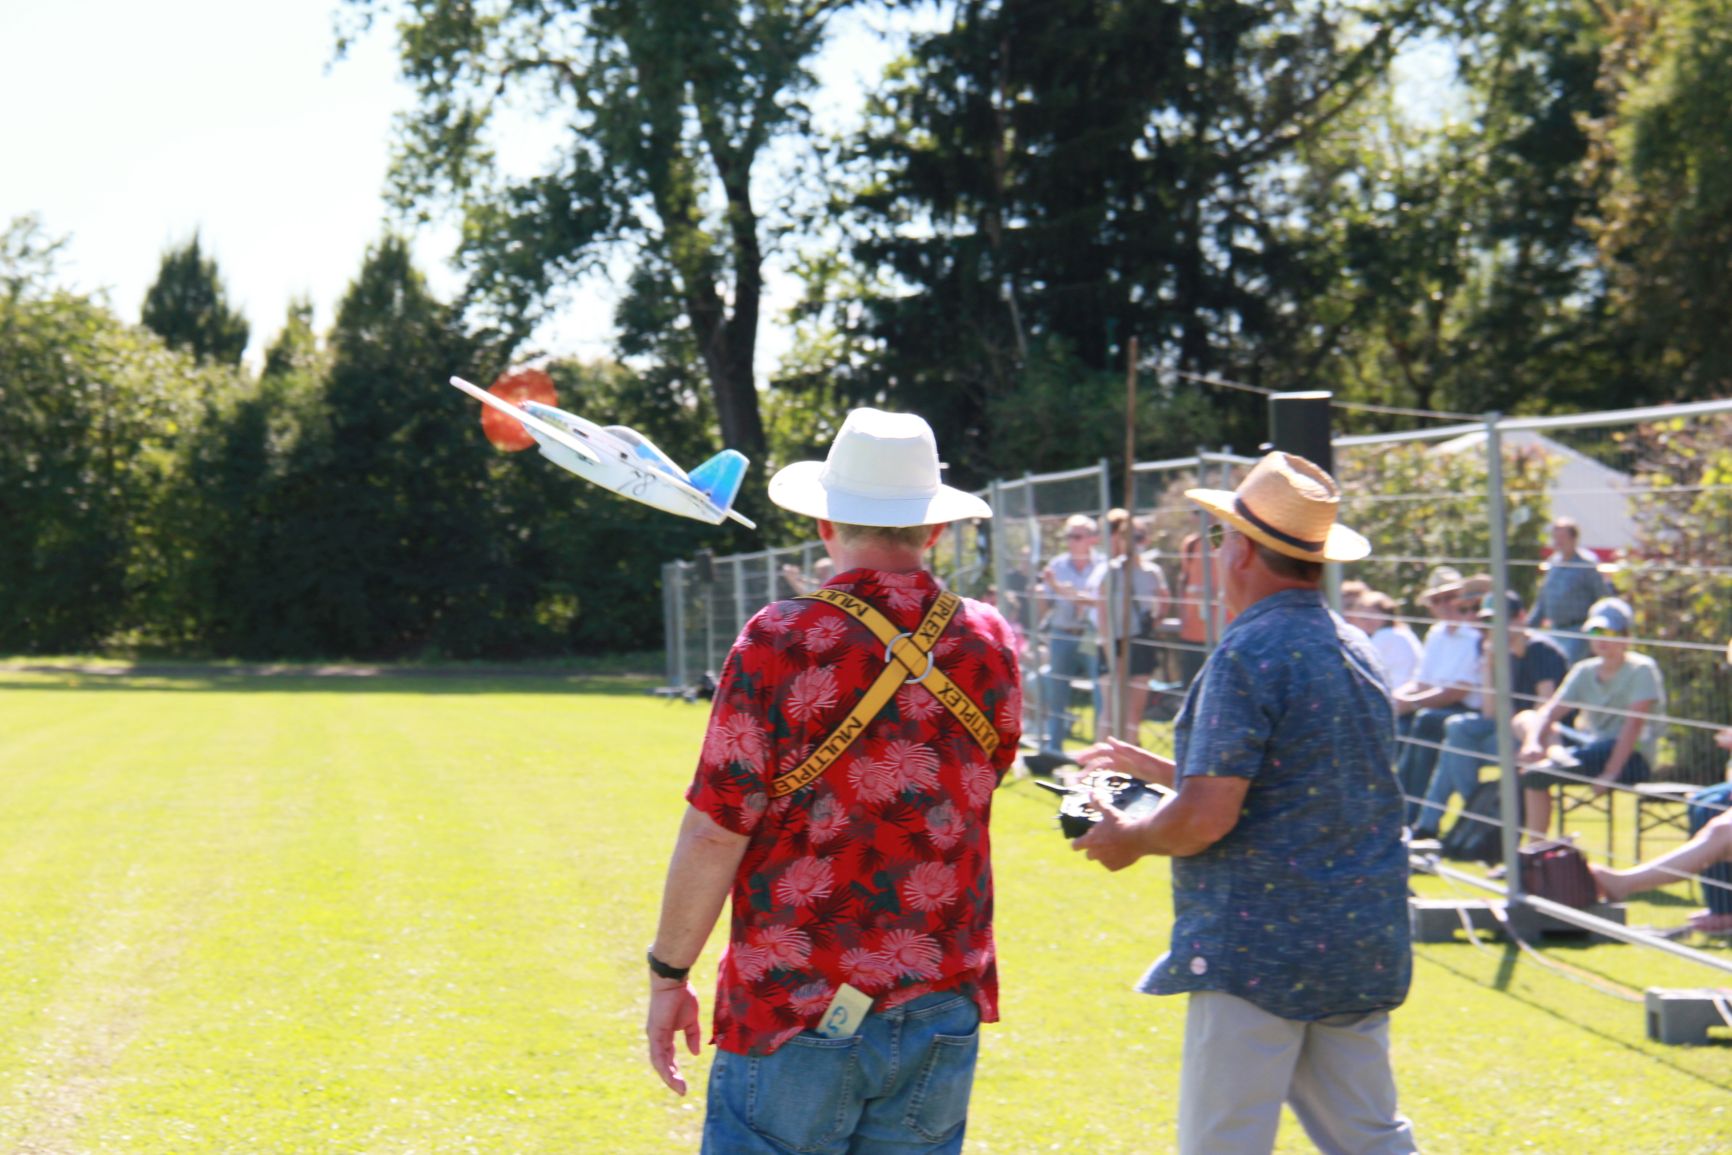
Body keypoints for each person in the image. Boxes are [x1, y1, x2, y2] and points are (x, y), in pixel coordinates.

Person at [645, 408, 1022, 1154]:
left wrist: (668, 973)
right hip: (939, 993)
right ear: (933, 530)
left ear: (825, 524)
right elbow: (986, 779)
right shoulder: (989, 640)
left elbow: (717, 826)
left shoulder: (778, 639)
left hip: (796, 1000)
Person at [1070, 451, 1416, 1155]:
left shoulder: (1248, 651)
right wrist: (1164, 769)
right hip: (1358, 939)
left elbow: (1207, 816)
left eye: (1222, 536)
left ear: (1244, 550)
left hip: (1260, 949)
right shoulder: (1356, 646)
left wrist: (1132, 835)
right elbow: (1301, 780)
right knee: (1373, 1141)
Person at [1411, 590, 1567, 840]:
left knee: (1454, 750)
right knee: (1457, 728)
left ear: (1521, 617)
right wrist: (1488, 663)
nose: (1494, 627)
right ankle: (1475, 815)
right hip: (1505, 730)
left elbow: (1545, 709)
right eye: (1488, 621)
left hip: (1539, 736)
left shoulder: (1539, 650)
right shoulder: (1493, 650)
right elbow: (1490, 711)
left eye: (1501, 619)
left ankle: (1448, 822)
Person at [1513, 597, 1663, 839]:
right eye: (1595, 631)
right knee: (1527, 723)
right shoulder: (1584, 670)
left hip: (1630, 758)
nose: (1601, 639)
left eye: (1609, 632)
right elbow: (1550, 711)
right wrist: (1532, 743)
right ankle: (1536, 848)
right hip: (1591, 749)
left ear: (1625, 636)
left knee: (1535, 774)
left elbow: (1633, 726)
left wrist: (1610, 774)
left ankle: (1558, 760)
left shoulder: (1642, 669)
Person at [1392, 568, 1486, 827]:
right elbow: (1421, 681)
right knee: (1401, 726)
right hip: (1433, 705)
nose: (1444, 604)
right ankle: (1398, 810)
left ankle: (1410, 814)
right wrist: (1394, 699)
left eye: (1450, 597)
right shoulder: (1436, 634)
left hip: (1463, 709)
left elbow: (1459, 690)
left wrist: (1411, 702)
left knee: (1424, 724)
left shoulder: (1475, 635)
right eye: (1437, 599)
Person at [1094, 509, 1170, 741]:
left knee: (1133, 715)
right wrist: (1111, 653)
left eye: (1139, 537)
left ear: (1145, 540)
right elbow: (1102, 615)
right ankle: (1101, 760)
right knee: (1111, 711)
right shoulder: (1110, 571)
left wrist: (1154, 619)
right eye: (1129, 537)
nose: (1134, 542)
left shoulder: (1152, 572)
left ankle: (1126, 761)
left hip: (1140, 643)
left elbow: (1164, 602)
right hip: (1113, 644)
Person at [1037, 513, 1105, 753]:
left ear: (1092, 539)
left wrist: (1067, 592)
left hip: (1091, 634)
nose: (1071, 541)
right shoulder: (1056, 565)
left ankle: (1100, 748)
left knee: (1100, 690)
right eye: (1068, 536)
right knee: (1057, 691)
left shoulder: (1103, 565)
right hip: (1062, 632)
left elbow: (1099, 602)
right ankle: (1053, 749)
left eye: (1076, 536)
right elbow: (1045, 602)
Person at [1530, 517, 1612, 663]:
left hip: (1577, 632)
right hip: (1554, 630)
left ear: (1574, 539)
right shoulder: (1553, 562)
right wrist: (1529, 628)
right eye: (1555, 537)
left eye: (1562, 537)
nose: (1557, 542)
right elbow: (1542, 600)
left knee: (1566, 667)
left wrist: (1598, 633)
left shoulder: (1587, 564)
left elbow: (1603, 598)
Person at [1345, 589, 1422, 691]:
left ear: (1386, 613)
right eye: (1363, 618)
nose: (1368, 621)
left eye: (1372, 615)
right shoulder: (1402, 631)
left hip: (1398, 691)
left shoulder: (1386, 635)